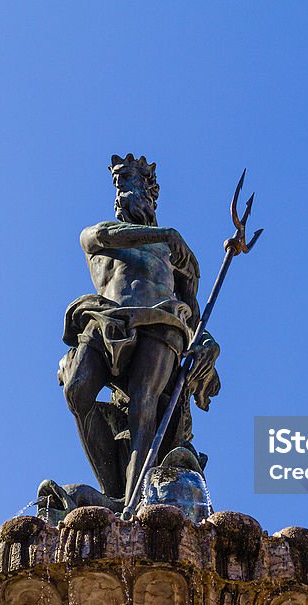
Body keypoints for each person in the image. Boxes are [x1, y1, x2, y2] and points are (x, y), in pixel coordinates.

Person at [58, 154, 220, 509]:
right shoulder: (99, 235)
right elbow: (103, 235)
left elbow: (192, 312)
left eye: (131, 186)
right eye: (119, 186)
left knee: (144, 399)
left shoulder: (177, 254)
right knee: (77, 391)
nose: (123, 194)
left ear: (149, 195)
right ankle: (114, 487)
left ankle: (132, 499)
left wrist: (206, 343)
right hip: (107, 320)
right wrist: (165, 233)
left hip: (161, 323)